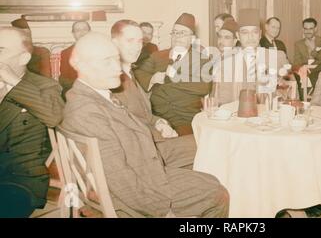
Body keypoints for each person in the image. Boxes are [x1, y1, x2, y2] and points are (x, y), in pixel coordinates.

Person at [60, 32, 229, 218]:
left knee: (210, 154)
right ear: (80, 65)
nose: (117, 67)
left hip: (143, 161)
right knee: (218, 192)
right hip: (142, 185)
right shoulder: (86, 113)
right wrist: (163, 212)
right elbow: (121, 181)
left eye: (116, 59)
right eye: (106, 61)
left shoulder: (96, 94)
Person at [110, 20, 196, 169]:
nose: (137, 47)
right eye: (130, 41)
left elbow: (143, 113)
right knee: (208, 147)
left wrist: (159, 122)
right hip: (144, 154)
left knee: (208, 146)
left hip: (155, 141)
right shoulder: (111, 80)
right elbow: (125, 127)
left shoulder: (130, 73)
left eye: (140, 41)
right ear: (114, 42)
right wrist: (157, 131)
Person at [0, 28, 64, 218]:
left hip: (17, 181)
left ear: (23, 59)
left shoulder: (44, 86)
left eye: (0, 50)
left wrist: (12, 81)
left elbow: (54, 116)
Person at [134, 13, 212, 136]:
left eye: (183, 33)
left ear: (192, 39)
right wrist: (152, 79)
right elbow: (138, 72)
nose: (177, 36)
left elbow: (203, 86)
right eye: (175, 32)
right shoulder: (157, 56)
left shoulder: (202, 59)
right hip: (158, 117)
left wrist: (172, 77)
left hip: (186, 119)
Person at [213, 9, 290, 105]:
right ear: (238, 35)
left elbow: (290, 92)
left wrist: (281, 92)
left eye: (255, 32)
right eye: (245, 33)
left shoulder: (277, 57)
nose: (250, 37)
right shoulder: (227, 63)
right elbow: (224, 100)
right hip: (237, 116)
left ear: (260, 34)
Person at [59, 21, 91, 98]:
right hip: (75, 89)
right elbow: (63, 79)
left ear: (90, 32)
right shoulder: (66, 53)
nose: (81, 33)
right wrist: (80, 86)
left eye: (84, 29)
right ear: (73, 33)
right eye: (77, 30)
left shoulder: (100, 50)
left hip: (96, 88)